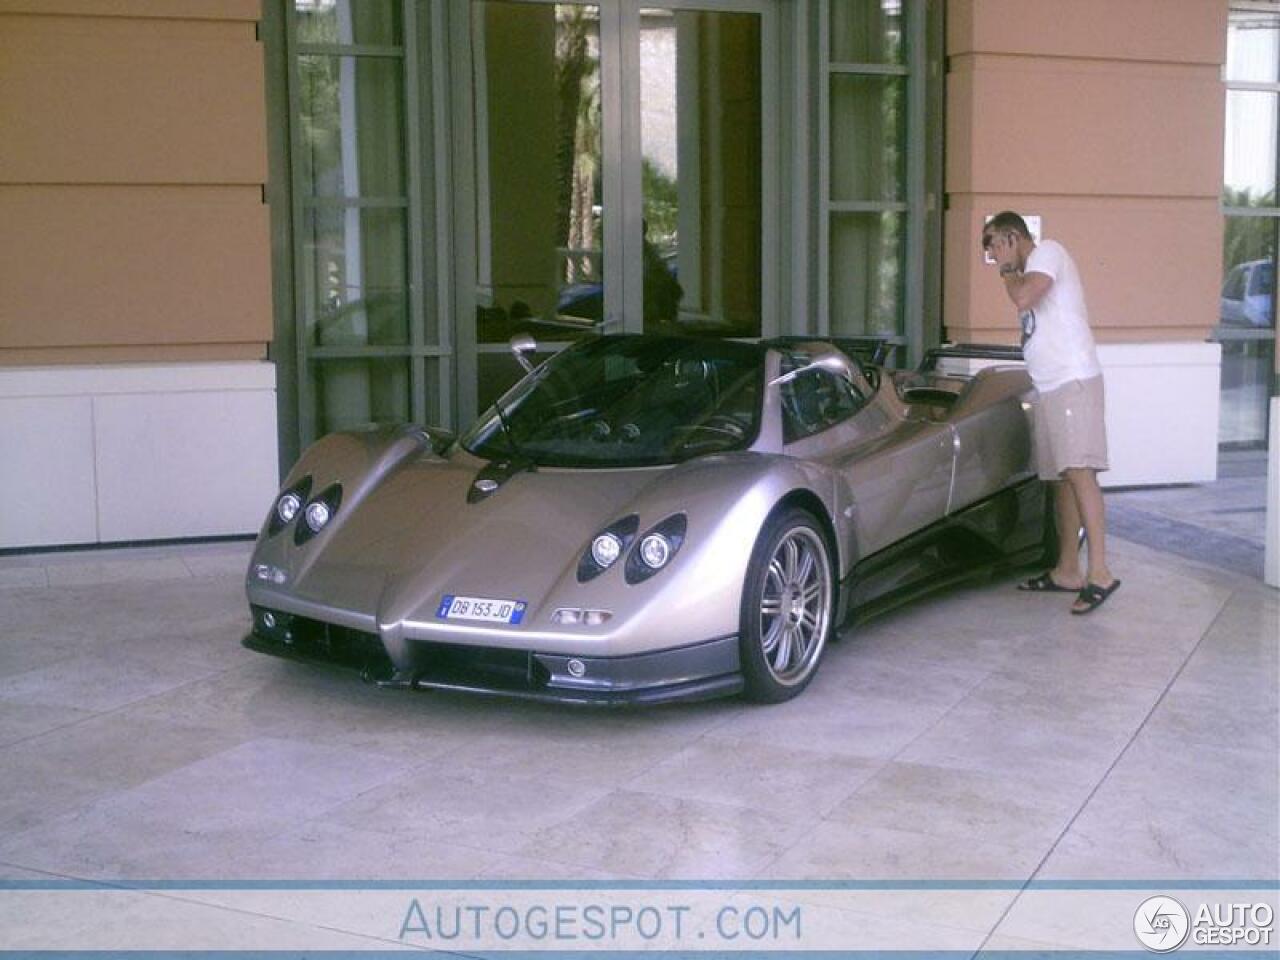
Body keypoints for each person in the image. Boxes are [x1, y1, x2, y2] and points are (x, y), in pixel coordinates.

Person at [982, 211, 1120, 614]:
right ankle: (1067, 570)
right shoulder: (1026, 272)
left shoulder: (1050, 252)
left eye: (994, 244)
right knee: (1060, 480)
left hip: (1072, 383)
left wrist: (1008, 267)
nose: (992, 255)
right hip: (1049, 388)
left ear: (1012, 236)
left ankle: (1100, 573)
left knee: (1080, 472)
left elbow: (1025, 296)